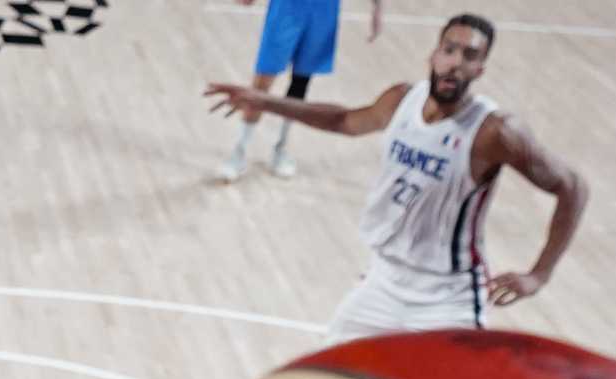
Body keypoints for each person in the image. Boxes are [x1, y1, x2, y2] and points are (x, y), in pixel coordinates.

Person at [205, 15, 589, 341]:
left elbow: (572, 187)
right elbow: (343, 120)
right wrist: (267, 102)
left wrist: (539, 275)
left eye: (469, 56)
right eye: (450, 49)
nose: (455, 62)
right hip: (383, 279)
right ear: (434, 54)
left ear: (479, 70)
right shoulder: (401, 101)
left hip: (447, 296)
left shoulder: (495, 132)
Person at [215, 0, 382, 184]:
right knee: (262, 82)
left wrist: (377, 8)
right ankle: (239, 151)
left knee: (301, 82)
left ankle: (280, 148)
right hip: (287, 7)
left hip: (324, 11)